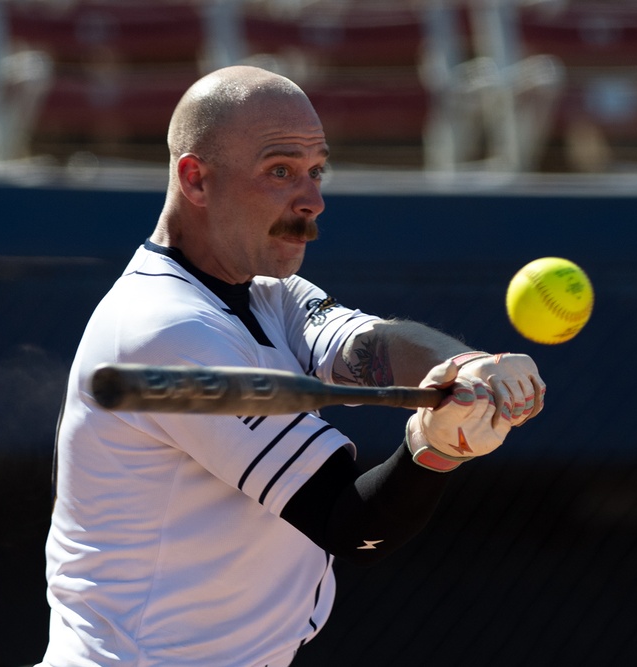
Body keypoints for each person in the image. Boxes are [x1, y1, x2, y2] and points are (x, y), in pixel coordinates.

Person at [38, 64, 546, 667]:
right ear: (196, 180)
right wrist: (434, 448)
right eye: (280, 171)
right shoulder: (165, 329)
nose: (313, 200)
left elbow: (370, 345)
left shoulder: (268, 292)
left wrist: (465, 366)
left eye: (316, 171)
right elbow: (351, 527)